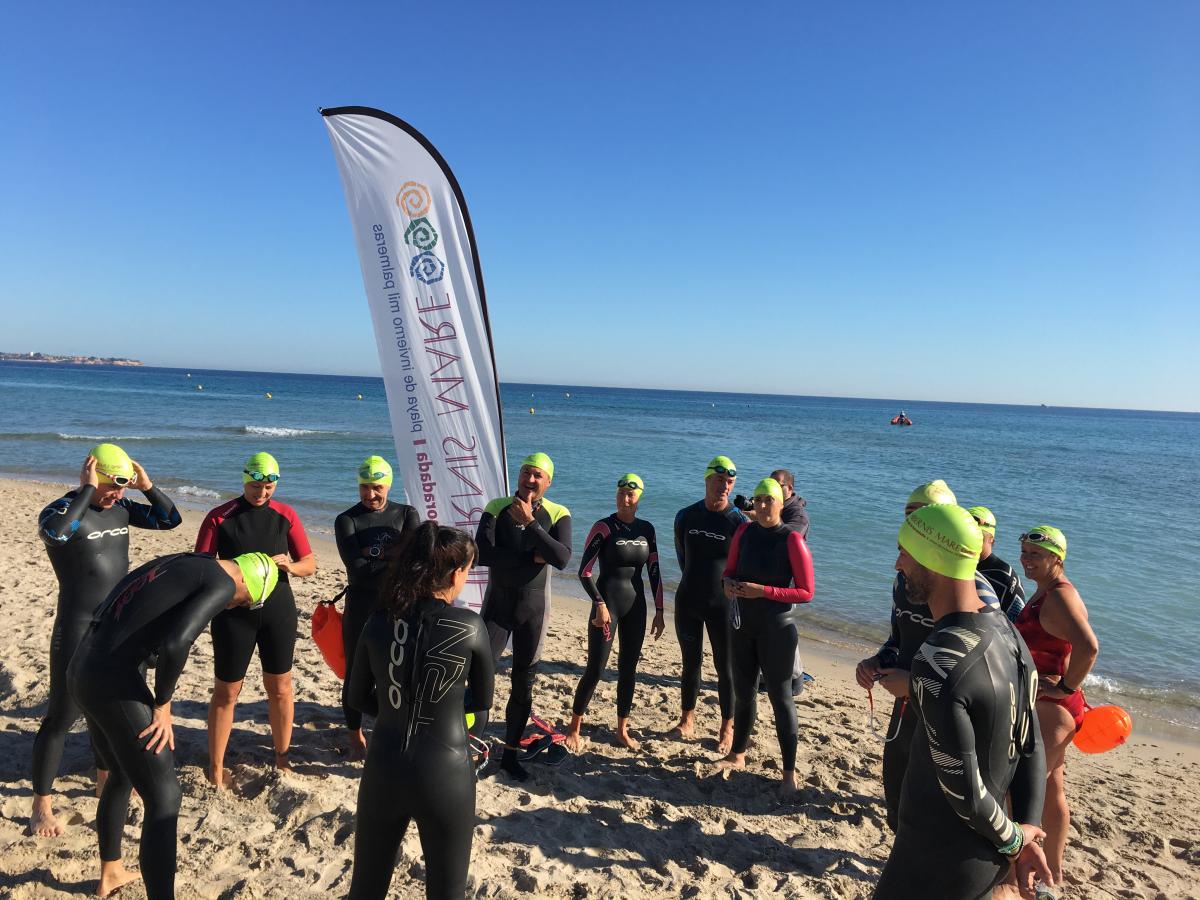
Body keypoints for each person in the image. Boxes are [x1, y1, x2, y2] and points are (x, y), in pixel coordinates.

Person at [69, 550, 278, 899]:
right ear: (249, 582)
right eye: (245, 602)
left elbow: (121, 599)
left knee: (120, 774)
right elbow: (177, 642)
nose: (233, 606)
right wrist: (163, 705)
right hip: (111, 681)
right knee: (165, 795)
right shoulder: (223, 583)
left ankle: (111, 872)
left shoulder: (189, 561)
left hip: (82, 665)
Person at [874, 504, 1053, 900]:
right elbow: (1030, 743)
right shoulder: (1008, 633)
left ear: (932, 561)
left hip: (934, 861)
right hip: (980, 858)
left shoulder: (939, 662)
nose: (897, 564)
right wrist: (1027, 825)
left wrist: (1017, 844)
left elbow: (966, 793)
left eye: (905, 552)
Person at [30, 444, 182, 838]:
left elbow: (170, 520)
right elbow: (56, 534)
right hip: (77, 626)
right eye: (112, 486)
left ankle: (103, 783)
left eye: (123, 487)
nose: (118, 495)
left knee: (108, 713)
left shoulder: (124, 508)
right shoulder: (62, 511)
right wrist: (85, 491)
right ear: (93, 477)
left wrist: (147, 486)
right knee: (62, 716)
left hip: (117, 627)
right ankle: (41, 806)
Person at [346, 522, 494, 899]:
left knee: (366, 889)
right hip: (445, 774)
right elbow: (482, 700)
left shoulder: (379, 620)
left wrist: (397, 704)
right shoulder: (470, 626)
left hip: (384, 766)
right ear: (456, 572)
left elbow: (355, 696)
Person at [853, 479, 1001, 831]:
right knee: (895, 786)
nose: (913, 528)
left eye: (923, 519)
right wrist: (876, 662)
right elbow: (898, 640)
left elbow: (985, 668)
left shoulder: (976, 591)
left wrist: (914, 682)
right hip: (906, 705)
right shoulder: (904, 579)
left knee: (940, 805)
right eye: (908, 518)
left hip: (951, 711)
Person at [196, 452, 317, 787]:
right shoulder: (220, 517)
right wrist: (225, 584)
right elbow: (200, 568)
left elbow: (309, 562)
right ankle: (216, 768)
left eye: (268, 487)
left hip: (278, 610)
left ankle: (282, 758)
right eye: (255, 486)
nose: (261, 493)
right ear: (243, 479)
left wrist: (290, 567)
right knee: (226, 692)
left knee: (280, 688)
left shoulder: (285, 515)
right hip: (233, 613)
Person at [474, 452, 572, 781]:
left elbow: (561, 558)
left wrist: (531, 524)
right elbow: (482, 554)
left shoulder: (558, 513)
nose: (531, 480)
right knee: (479, 677)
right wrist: (532, 556)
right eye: (527, 473)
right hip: (497, 608)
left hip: (534, 611)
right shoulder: (496, 507)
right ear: (519, 475)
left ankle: (511, 756)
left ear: (549, 481)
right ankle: (471, 747)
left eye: (538, 476)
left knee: (523, 685)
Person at [1015, 525, 1100, 889]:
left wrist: (1065, 686)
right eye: (1024, 553)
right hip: (1058, 705)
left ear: (1057, 559)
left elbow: (1089, 646)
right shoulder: (1047, 592)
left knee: (1025, 787)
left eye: (1035, 555)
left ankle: (1027, 869)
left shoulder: (1060, 597)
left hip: (1054, 708)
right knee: (1052, 787)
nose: (1026, 560)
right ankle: (1054, 871)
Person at [718, 478, 814, 795]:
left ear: (780, 503)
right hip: (743, 625)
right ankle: (737, 754)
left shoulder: (791, 540)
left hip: (777, 627)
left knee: (781, 699)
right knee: (743, 693)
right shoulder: (744, 532)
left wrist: (764, 592)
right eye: (757, 500)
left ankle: (788, 774)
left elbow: (806, 592)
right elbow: (728, 569)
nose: (760, 506)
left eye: (767, 501)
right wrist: (728, 584)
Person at [564, 473, 665, 753]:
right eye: (621, 492)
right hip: (607, 605)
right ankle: (574, 726)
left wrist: (659, 609)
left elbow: (654, 571)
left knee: (628, 670)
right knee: (595, 668)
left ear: (639, 497)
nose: (625, 497)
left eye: (631, 494)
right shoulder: (604, 527)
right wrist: (599, 603)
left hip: (636, 607)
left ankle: (622, 728)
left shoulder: (648, 529)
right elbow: (584, 572)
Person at [334, 455, 420, 758]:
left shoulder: (407, 514)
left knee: (397, 671)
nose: (371, 495)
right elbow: (356, 569)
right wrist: (394, 554)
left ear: (388, 485)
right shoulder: (347, 520)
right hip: (360, 605)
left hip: (399, 605)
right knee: (356, 673)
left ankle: (392, 728)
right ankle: (354, 732)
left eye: (378, 487)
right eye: (365, 487)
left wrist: (375, 552)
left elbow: (414, 563)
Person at [670, 455, 747, 753]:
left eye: (730, 482)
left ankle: (726, 727)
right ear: (707, 480)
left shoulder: (738, 522)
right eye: (719, 481)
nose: (724, 487)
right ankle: (686, 720)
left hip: (722, 606)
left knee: (725, 668)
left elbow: (743, 564)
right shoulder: (685, 516)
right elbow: (682, 557)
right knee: (690, 664)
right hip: (689, 599)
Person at [968, 505, 1026, 620]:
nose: (970, 542)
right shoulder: (956, 565)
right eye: (966, 535)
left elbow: (1018, 624)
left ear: (992, 540)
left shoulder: (1004, 577)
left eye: (978, 537)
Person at [770, 468, 810, 538]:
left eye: (777, 486)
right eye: (770, 485)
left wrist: (763, 519)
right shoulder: (765, 504)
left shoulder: (798, 514)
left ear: (789, 488)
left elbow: (791, 537)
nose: (772, 489)